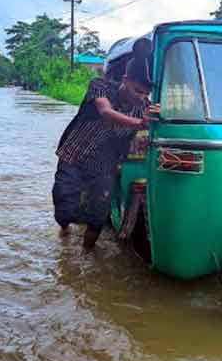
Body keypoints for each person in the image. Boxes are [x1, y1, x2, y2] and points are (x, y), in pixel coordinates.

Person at [53, 38, 153, 250]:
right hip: (74, 156)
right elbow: (106, 112)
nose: (142, 98)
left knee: (97, 218)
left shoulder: (145, 108)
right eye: (137, 91)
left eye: (146, 94)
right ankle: (64, 231)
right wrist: (140, 122)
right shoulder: (100, 86)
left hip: (104, 165)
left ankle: (86, 257)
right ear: (125, 79)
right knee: (64, 209)